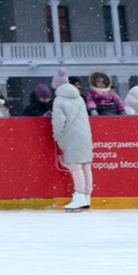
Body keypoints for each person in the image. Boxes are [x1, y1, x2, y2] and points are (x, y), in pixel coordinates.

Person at [50, 67, 93, 211]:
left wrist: (57, 136)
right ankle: (87, 196)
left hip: (71, 136)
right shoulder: (79, 97)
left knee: (75, 166)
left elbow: (58, 122)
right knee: (86, 165)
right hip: (84, 134)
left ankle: (79, 196)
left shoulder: (59, 100)